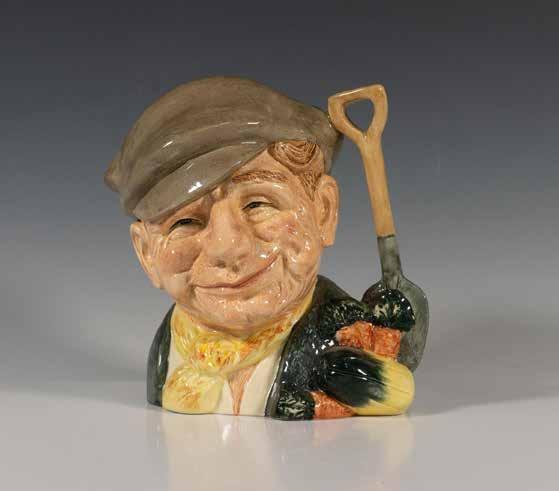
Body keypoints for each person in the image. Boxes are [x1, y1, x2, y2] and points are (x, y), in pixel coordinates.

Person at [105, 76, 414, 419]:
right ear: (146, 254)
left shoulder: (349, 338)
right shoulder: (166, 357)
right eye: (187, 221)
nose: (228, 248)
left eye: (257, 204)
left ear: (323, 212)